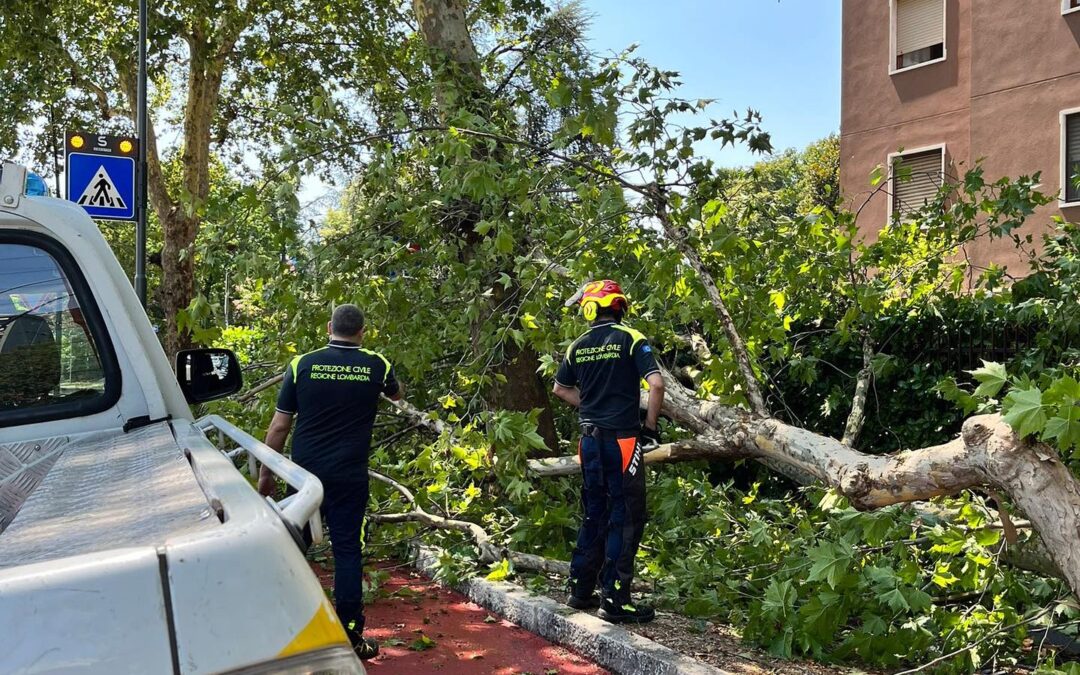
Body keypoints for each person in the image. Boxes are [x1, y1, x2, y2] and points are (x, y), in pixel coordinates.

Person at [259, 304, 404, 660]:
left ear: (329, 328)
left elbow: (279, 426)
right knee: (347, 550)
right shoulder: (376, 364)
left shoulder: (302, 364)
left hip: (305, 477)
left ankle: (273, 624)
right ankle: (351, 636)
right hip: (349, 475)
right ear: (362, 332)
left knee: (294, 545)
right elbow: (398, 396)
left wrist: (265, 474)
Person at [552, 280, 665, 624]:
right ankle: (616, 599)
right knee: (626, 515)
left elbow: (560, 388)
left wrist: (592, 407)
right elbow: (657, 384)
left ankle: (580, 588)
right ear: (619, 306)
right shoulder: (631, 338)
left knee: (595, 510)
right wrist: (649, 427)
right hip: (623, 440)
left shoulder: (577, 345)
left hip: (589, 440)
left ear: (589, 309)